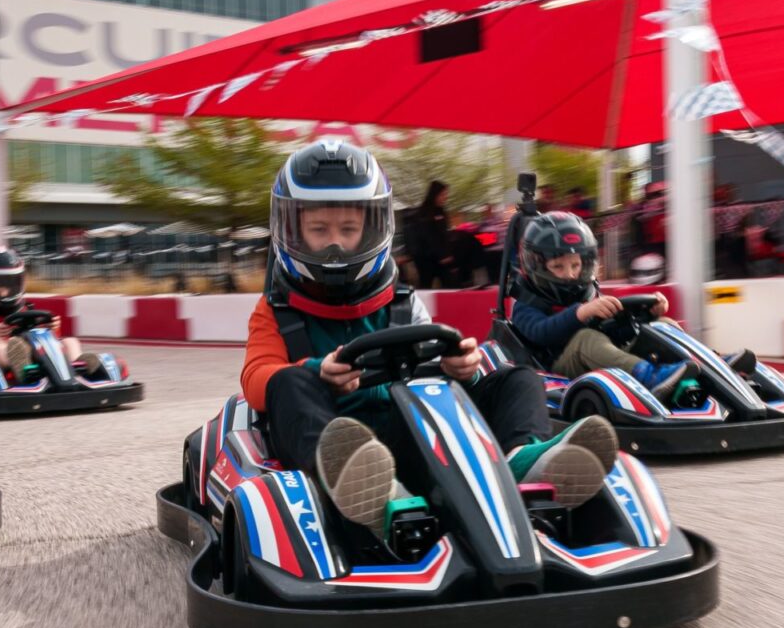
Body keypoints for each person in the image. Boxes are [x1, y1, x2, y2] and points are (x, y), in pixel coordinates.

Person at [240, 140, 618, 537]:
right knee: (287, 381)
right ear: (292, 231)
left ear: (372, 228)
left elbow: (430, 372)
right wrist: (318, 371)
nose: (335, 244)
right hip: (327, 442)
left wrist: (461, 370)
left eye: (348, 230)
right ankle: (371, 490)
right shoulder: (276, 311)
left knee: (516, 377)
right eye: (319, 230)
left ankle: (523, 462)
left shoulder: (401, 303)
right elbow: (256, 380)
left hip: (404, 439)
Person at [507, 212, 756, 399]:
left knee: (663, 325)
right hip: (558, 367)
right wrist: (580, 313)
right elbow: (541, 334)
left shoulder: (586, 291)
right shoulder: (527, 303)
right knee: (586, 338)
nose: (571, 275)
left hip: (599, 353)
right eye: (558, 267)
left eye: (576, 265)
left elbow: (610, 325)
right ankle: (648, 376)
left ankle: (712, 363)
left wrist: (647, 314)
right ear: (537, 266)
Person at [0, 245, 82, 376]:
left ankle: (79, 369)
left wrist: (51, 328)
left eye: (11, 283)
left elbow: (46, 341)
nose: (6, 290)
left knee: (70, 342)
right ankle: (22, 367)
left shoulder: (25, 310)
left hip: (33, 357)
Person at [403, 180, 453, 289]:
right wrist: (442, 255)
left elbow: (444, 234)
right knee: (427, 284)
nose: (445, 197)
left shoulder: (441, 211)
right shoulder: (424, 213)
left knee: (448, 284)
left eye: (446, 194)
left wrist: (446, 253)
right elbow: (429, 236)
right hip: (425, 258)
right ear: (434, 194)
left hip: (439, 258)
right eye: (443, 194)